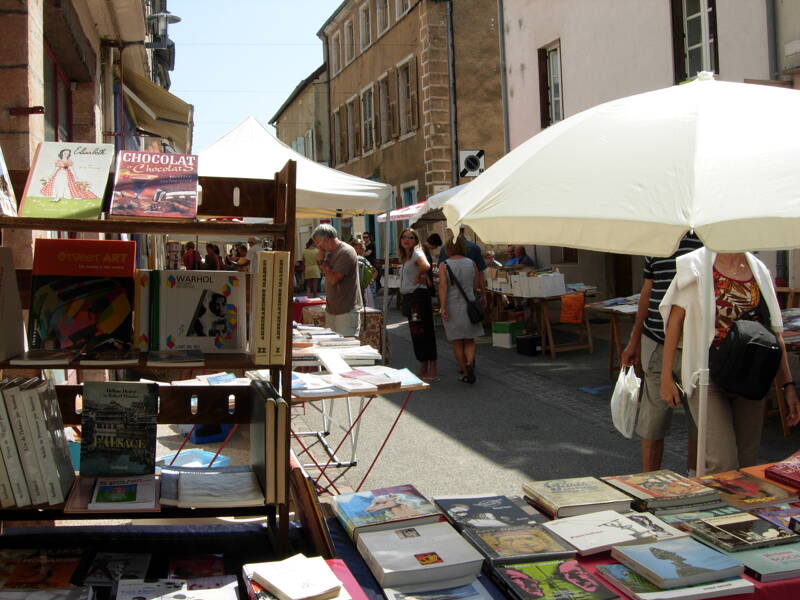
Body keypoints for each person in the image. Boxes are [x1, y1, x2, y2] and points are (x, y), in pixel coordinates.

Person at [660, 248, 800, 474]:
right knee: (722, 461)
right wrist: (666, 377)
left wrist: (788, 385)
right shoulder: (696, 265)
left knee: (747, 461)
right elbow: (674, 323)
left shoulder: (759, 271)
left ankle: (736, 509)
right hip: (707, 373)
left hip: (751, 373)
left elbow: (774, 332)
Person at [621, 232, 703, 473]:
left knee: (700, 421)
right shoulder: (656, 243)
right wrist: (633, 341)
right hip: (656, 339)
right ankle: (649, 482)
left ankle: (694, 480)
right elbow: (647, 293)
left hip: (694, 344)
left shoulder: (706, 242)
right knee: (652, 421)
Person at [439, 235, 483, 384]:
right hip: (469, 304)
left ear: (448, 248)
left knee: (457, 342)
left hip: (452, 306)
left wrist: (442, 307)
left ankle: (465, 372)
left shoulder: (444, 264)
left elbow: (443, 287)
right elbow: (476, 284)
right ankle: (470, 363)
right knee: (469, 339)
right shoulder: (471, 263)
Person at [398, 228, 438, 382]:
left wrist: (417, 277)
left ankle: (432, 368)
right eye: (404, 237)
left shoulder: (417, 252)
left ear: (416, 240)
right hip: (410, 297)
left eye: (411, 237)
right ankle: (423, 366)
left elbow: (426, 266)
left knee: (424, 332)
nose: (407, 239)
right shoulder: (407, 256)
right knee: (417, 333)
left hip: (418, 297)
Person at [313, 223, 363, 337]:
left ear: (328, 239)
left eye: (318, 243)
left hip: (346, 311)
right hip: (332, 309)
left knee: (346, 348)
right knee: (332, 348)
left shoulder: (346, 252)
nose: (318, 247)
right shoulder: (329, 253)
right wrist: (322, 262)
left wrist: (322, 262)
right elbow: (325, 273)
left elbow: (334, 279)